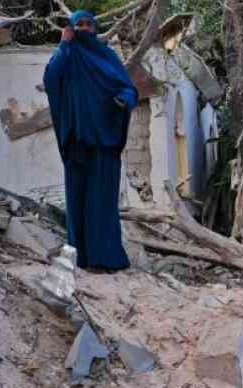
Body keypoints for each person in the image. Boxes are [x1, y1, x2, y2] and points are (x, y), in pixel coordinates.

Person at [43, 11, 137, 271]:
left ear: (96, 29)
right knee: (76, 200)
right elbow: (50, 80)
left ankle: (106, 258)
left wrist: (124, 99)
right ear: (71, 28)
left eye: (88, 25)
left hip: (104, 141)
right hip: (76, 140)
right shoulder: (66, 55)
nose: (83, 29)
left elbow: (128, 87)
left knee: (102, 200)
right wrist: (64, 44)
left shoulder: (107, 56)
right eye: (78, 25)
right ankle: (80, 258)